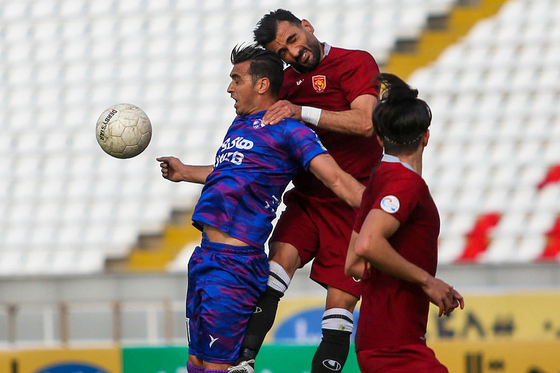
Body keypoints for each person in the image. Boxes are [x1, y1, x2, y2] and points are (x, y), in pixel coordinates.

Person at [157, 45, 365, 373]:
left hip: (234, 267)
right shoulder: (240, 124)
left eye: (236, 79)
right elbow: (231, 172)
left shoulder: (292, 131)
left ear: (262, 85)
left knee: (217, 367)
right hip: (205, 260)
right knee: (196, 361)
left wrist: (384, 213)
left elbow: (337, 179)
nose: (230, 88)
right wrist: (185, 172)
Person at [230, 9, 381, 373]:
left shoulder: (354, 62)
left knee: (338, 312)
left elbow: (364, 123)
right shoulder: (285, 83)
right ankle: (243, 362)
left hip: (355, 205)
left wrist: (301, 112)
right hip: (309, 201)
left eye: (293, 41)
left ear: (307, 28)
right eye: (283, 52)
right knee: (272, 276)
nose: (293, 54)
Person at [344, 73, 465, 372]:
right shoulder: (404, 183)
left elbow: (353, 264)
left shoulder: (380, 178)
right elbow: (369, 244)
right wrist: (428, 280)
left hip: (379, 340)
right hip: (395, 348)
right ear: (426, 136)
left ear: (379, 138)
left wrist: (414, 280)